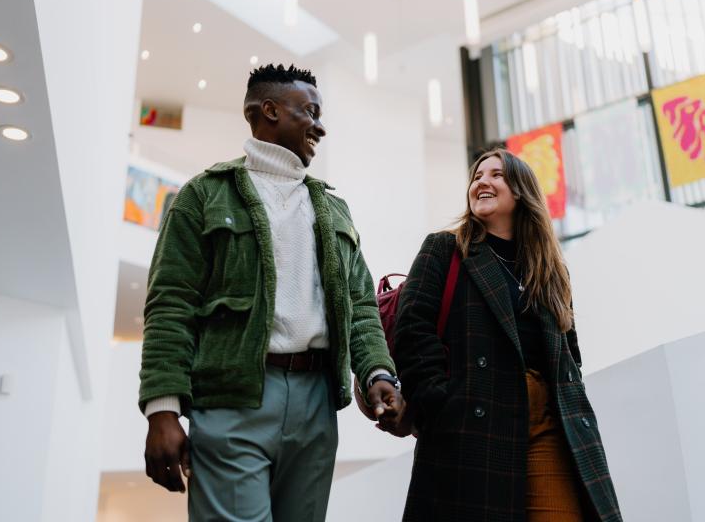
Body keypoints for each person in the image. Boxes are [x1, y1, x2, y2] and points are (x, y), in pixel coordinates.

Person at [138, 63, 403, 522]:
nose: (320, 126)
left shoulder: (334, 208)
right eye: (310, 111)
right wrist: (163, 409)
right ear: (269, 110)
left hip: (317, 403)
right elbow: (171, 304)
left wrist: (379, 372)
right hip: (231, 398)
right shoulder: (202, 195)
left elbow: (361, 306)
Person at [393, 148, 622, 522]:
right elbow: (413, 329)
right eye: (477, 176)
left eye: (496, 175)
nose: (482, 182)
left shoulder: (548, 269)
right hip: (474, 421)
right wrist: (440, 403)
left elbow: (569, 353)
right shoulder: (444, 248)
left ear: (520, 192)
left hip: (548, 426)